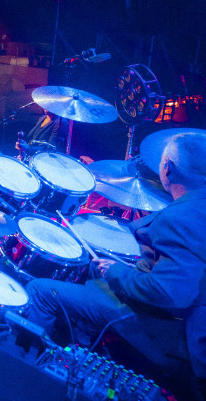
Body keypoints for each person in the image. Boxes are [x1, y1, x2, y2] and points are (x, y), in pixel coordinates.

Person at [24, 132, 206, 399]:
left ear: (167, 168)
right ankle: (85, 349)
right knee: (94, 286)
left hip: (178, 337)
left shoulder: (178, 217)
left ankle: (26, 381)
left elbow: (169, 294)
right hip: (191, 321)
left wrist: (116, 271)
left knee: (40, 291)